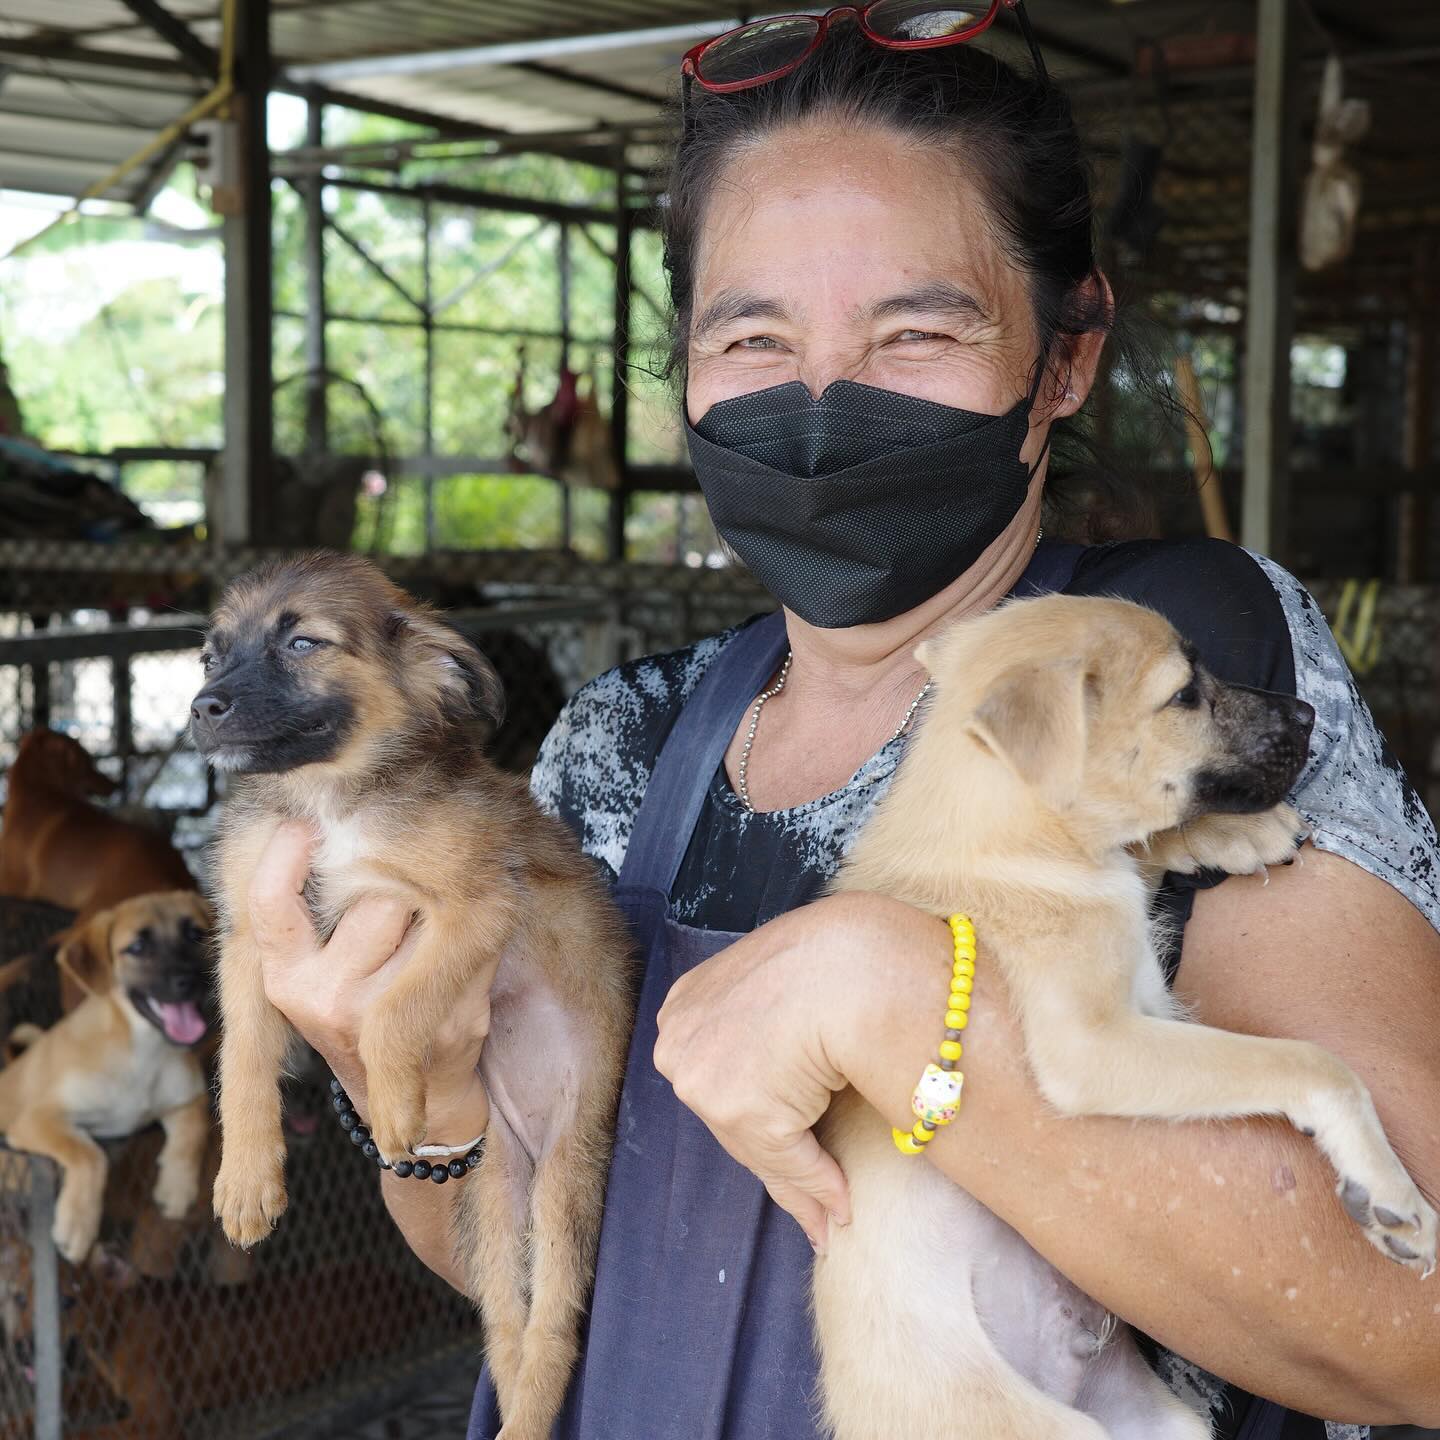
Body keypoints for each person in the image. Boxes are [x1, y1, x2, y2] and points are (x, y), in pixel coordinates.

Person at [245, 7, 1440, 1438]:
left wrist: (906, 1010)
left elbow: (1411, 1326)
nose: (821, 406)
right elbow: (526, 1254)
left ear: (1063, 359)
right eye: (752, 335)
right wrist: (422, 1102)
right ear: (686, 367)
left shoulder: (1189, 672)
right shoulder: (622, 746)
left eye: (918, 330)